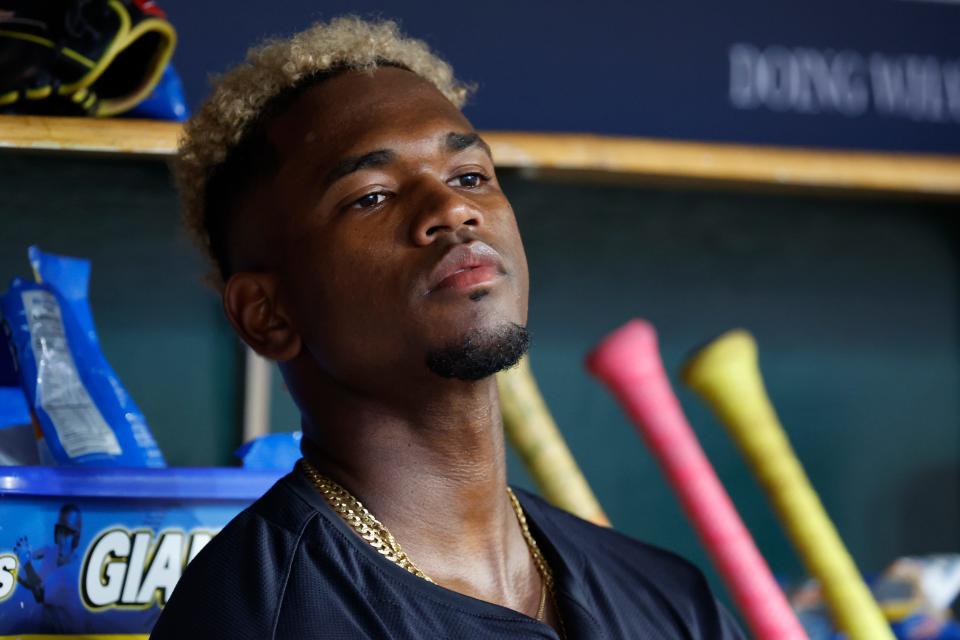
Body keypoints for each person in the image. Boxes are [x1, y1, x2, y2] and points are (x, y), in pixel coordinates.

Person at [151, 16, 744, 640]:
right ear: (268, 315)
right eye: (372, 196)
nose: (452, 208)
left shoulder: (668, 601)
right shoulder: (259, 617)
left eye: (469, 177)